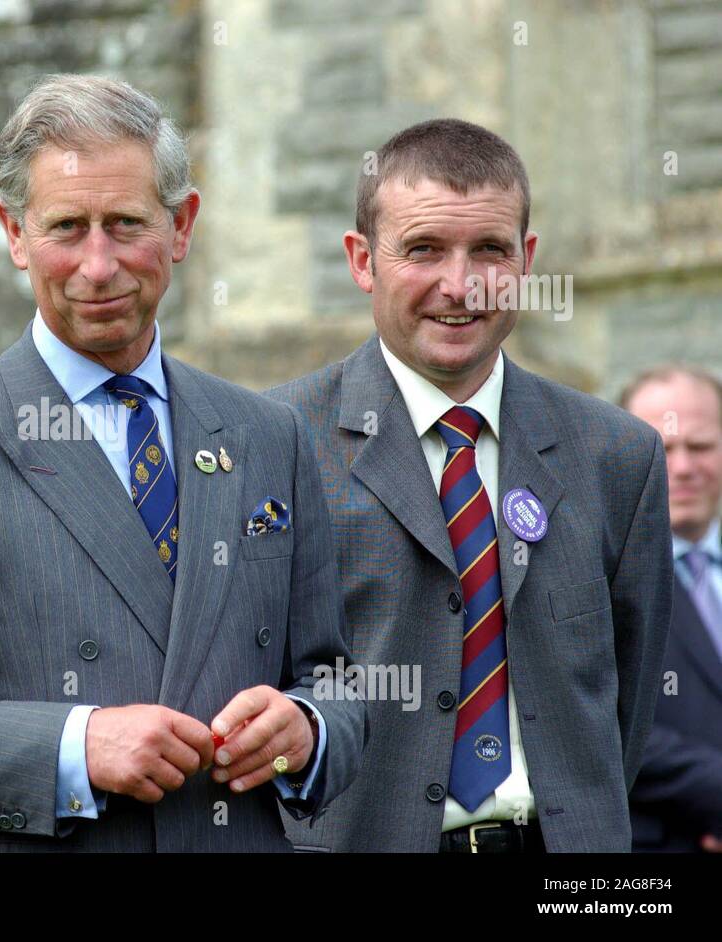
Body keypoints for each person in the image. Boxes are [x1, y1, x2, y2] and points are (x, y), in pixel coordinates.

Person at [0, 74, 364, 852]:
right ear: (14, 233)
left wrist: (306, 731)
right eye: (67, 227)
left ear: (182, 226)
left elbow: (335, 683)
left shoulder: (265, 435)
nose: (99, 265)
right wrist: (74, 749)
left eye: (127, 224)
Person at [268, 118, 673, 852]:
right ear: (363, 261)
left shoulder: (619, 455)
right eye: (422, 249)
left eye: (489, 249)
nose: (460, 286)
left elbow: (628, 705)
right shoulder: (275, 442)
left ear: (526, 259)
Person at [623, 366, 722, 852]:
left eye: (701, 447)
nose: (683, 467)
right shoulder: (595, 576)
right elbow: (603, 716)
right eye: (661, 448)